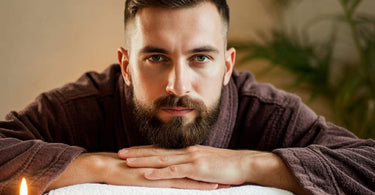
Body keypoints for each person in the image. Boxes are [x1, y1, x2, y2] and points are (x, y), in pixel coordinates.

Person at [0, 0, 374, 194]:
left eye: (200, 58)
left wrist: (252, 166)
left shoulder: (269, 112)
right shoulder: (80, 107)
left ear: (227, 66)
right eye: (157, 58)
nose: (178, 85)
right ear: (126, 65)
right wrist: (103, 169)